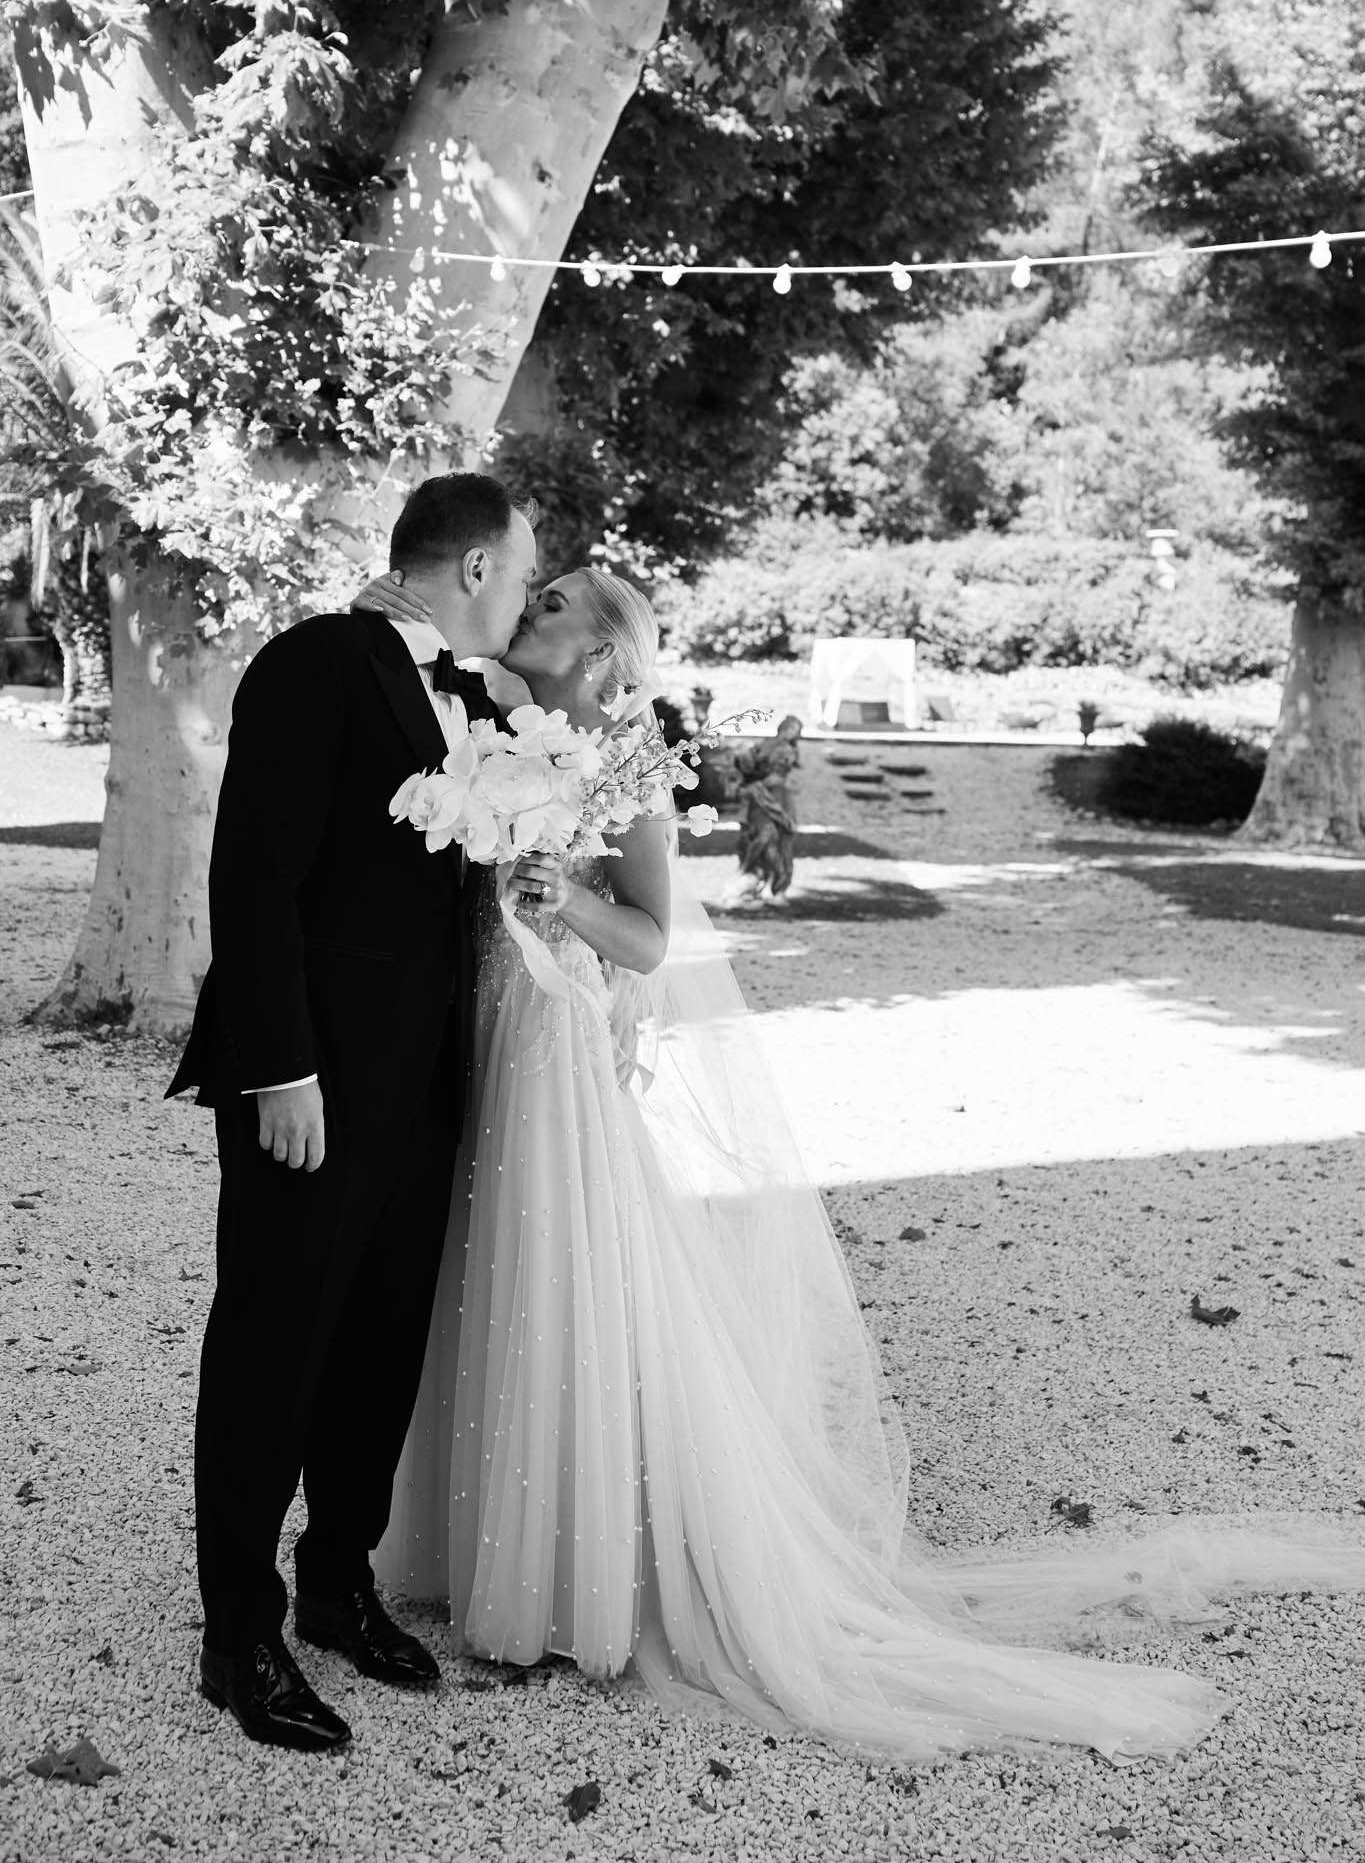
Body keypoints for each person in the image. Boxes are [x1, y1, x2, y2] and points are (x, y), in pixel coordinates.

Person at [350, 563, 1365, 1765]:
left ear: (608, 655)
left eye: (557, 601)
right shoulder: (491, 731)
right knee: (476, 1268)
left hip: (554, 1052)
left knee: (556, 1277)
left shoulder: (626, 769)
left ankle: (566, 1572)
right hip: (482, 1036)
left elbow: (652, 935)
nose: (532, 606)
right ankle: (457, 1543)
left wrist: (560, 896)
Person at [167, 473, 537, 1752]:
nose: (529, 596)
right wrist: (280, 1068)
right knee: (277, 1338)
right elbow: (254, 871)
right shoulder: (316, 659)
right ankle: (239, 1634)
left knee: (379, 1342)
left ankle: (337, 1581)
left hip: (425, 1081)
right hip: (311, 1083)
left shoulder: (484, 699)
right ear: (476, 563)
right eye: (525, 571)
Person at [727, 714, 803, 903]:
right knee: (762, 836)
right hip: (761, 796)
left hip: (777, 796)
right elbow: (745, 764)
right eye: (790, 728)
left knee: (780, 839)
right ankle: (750, 875)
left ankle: (776, 885)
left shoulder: (788, 750)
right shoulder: (765, 745)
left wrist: (755, 784)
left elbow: (779, 775)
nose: (792, 732)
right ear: (782, 728)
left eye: (796, 730)